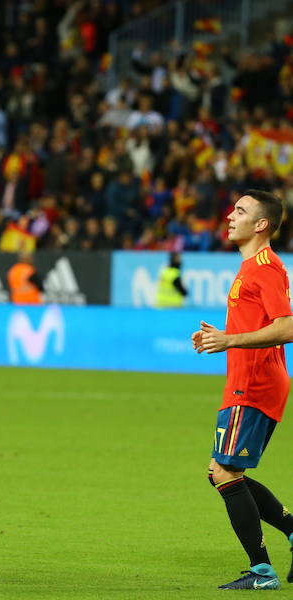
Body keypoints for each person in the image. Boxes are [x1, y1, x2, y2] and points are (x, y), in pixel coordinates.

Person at [191, 190, 293, 590]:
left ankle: (262, 572)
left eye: (240, 211)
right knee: (222, 472)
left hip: (254, 383)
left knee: (224, 472)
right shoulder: (251, 266)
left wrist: (230, 341)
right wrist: (222, 336)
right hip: (249, 381)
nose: (230, 216)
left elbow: (287, 328)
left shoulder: (265, 268)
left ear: (261, 224)